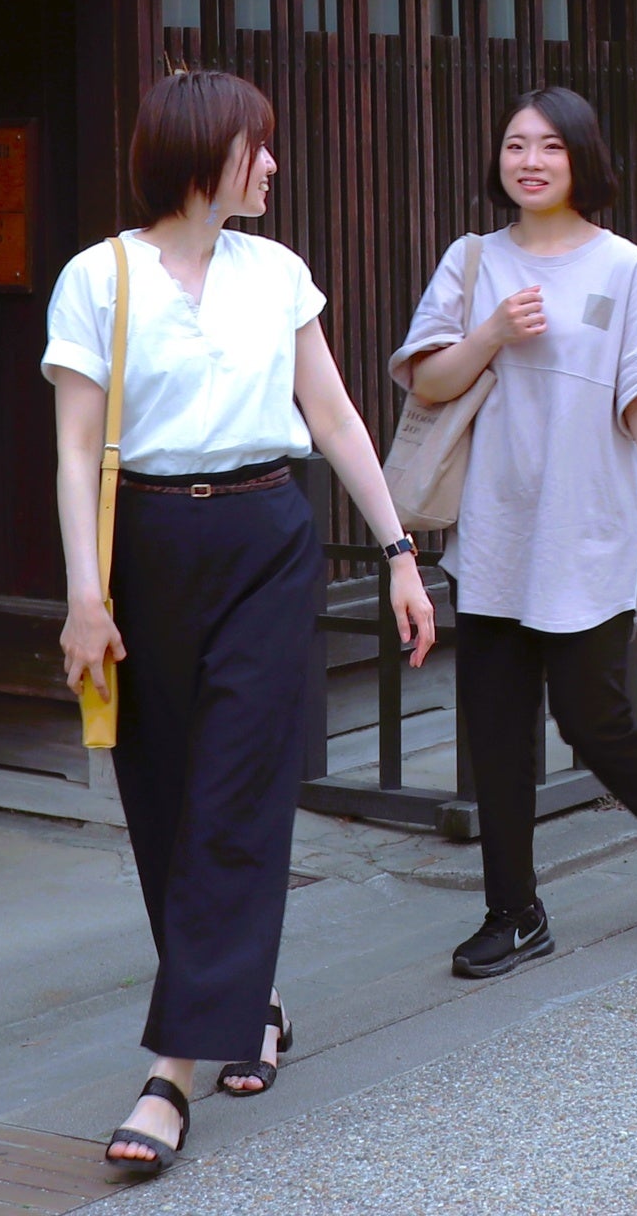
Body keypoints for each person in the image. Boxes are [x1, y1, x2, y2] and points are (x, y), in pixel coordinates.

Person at [47, 69, 435, 1179]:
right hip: (145, 547)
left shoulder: (277, 273)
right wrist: (85, 594)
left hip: (269, 532)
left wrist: (399, 548)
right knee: (165, 792)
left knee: (235, 783)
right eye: (255, 147)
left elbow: (335, 412)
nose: (271, 165)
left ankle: (172, 1070)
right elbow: (77, 449)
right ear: (200, 154)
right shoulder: (99, 277)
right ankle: (246, 997)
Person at [395, 90, 637, 980]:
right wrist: (495, 330)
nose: (529, 160)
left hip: (589, 526)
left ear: (582, 158)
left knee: (590, 715)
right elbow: (427, 384)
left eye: (548, 146)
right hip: (496, 529)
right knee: (495, 731)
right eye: (513, 145)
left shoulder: (626, 269)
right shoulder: (473, 262)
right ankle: (514, 912)